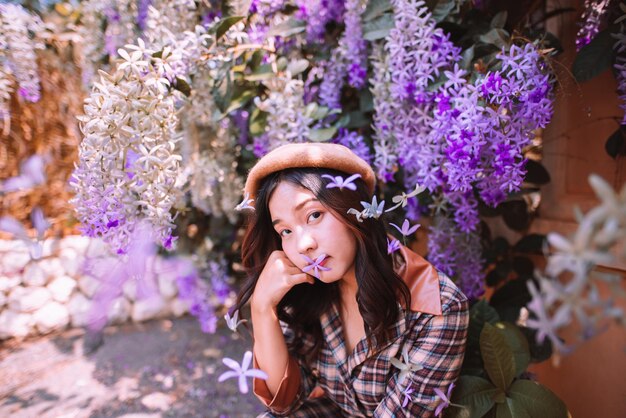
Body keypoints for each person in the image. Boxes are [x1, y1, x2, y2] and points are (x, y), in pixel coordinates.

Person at [231, 142, 469, 417]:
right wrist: (262, 310)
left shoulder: (436, 306)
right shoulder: (308, 287)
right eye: (285, 231)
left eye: (314, 215)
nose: (303, 245)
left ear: (354, 210)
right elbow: (285, 401)